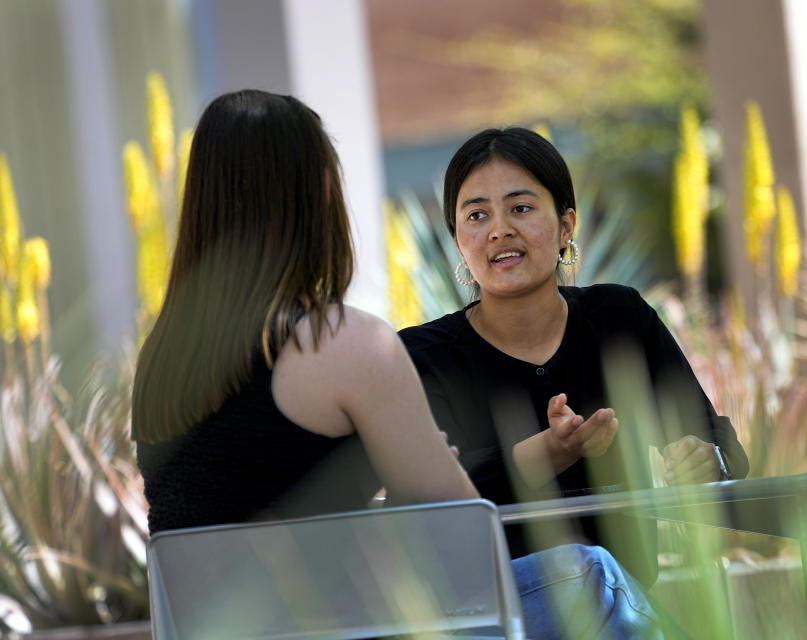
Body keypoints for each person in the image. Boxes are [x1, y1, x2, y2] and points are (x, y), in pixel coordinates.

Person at [132, 91, 671, 639]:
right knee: (591, 575)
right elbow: (467, 542)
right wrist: (423, 469)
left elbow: (241, 503)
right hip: (348, 630)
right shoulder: (343, 341)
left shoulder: (161, 361)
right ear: (321, 190)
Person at [399, 127, 749, 586]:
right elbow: (429, 502)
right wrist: (544, 454)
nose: (500, 229)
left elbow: (721, 448)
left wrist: (706, 462)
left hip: (624, 606)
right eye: (477, 215)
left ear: (566, 225)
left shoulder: (619, 318)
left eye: (520, 208)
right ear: (458, 240)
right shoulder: (422, 356)